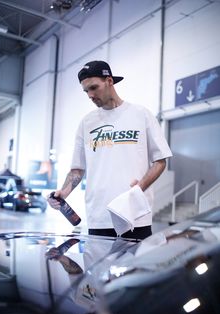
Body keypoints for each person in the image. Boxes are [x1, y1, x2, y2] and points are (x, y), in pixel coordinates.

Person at [48, 60, 172, 240]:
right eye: (86, 91)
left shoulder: (141, 115)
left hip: (135, 215)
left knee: (135, 268)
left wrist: (140, 187)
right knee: (99, 269)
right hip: (99, 217)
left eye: (94, 88)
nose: (90, 95)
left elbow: (160, 160)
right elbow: (77, 169)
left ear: (109, 81)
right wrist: (63, 193)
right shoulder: (86, 123)